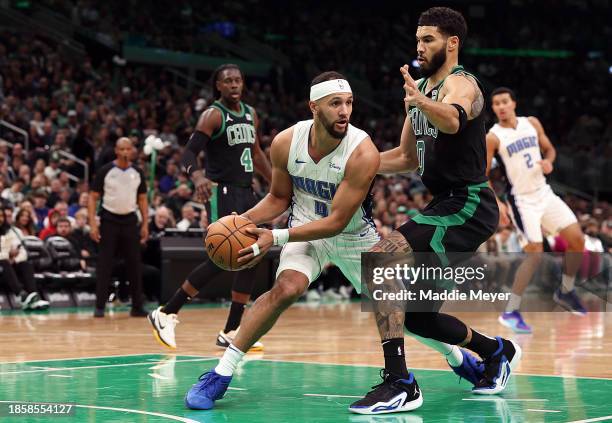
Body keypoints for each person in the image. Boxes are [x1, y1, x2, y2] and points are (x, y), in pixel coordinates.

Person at [348, 7, 521, 414]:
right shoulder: (420, 91)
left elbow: (453, 121)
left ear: (452, 42)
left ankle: (400, 383)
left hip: (469, 203)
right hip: (446, 204)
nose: (420, 46)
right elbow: (407, 157)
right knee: (418, 316)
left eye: (429, 39)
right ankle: (496, 351)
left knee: (379, 259)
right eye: (418, 39)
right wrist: (351, 163)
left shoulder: (463, 85)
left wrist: (421, 102)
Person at [183, 71, 382, 410]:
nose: (345, 111)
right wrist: (240, 222)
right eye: (335, 103)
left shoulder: (362, 151)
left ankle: (461, 359)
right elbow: (278, 198)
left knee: (402, 312)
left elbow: (336, 222)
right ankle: (221, 372)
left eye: (349, 103)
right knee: (284, 290)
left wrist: (273, 236)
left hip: (352, 235)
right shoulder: (285, 142)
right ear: (314, 107)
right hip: (305, 227)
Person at [148, 64, 272, 350]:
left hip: (246, 191)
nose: (234, 85)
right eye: (227, 81)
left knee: (253, 255)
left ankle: (231, 330)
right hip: (222, 191)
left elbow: (255, 153)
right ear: (218, 85)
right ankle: (167, 311)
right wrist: (197, 175)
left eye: (238, 80)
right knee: (223, 255)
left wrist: (277, 182)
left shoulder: (251, 114)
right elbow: (189, 152)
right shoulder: (214, 114)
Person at [487, 87, 587, 333]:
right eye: (496, 104)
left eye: (504, 102)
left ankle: (565, 291)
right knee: (534, 254)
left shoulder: (531, 123)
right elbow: (483, 174)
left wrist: (549, 162)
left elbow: (550, 149)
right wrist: (497, 202)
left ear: (514, 103)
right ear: (493, 109)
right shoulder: (493, 136)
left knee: (577, 240)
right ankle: (510, 311)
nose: (501, 106)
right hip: (522, 201)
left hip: (544, 192)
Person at [88, 137, 149, 318]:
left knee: (134, 264)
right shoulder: (105, 171)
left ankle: (137, 306)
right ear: (116, 150)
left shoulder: (137, 172)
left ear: (132, 151)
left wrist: (145, 223)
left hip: (130, 220)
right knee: (105, 264)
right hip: (109, 220)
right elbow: (93, 197)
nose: (124, 152)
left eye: (127, 149)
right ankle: (100, 306)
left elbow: (143, 200)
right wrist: (92, 223)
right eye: (121, 149)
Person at [0, 205, 49, 310]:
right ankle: (21, 295)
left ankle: (33, 296)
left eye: (2, 216)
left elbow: (22, 251)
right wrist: (7, 256)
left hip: (11, 263)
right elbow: (5, 255)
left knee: (26, 264)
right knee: (4, 262)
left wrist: (15, 259)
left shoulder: (12, 231)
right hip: (3, 263)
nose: (1, 219)